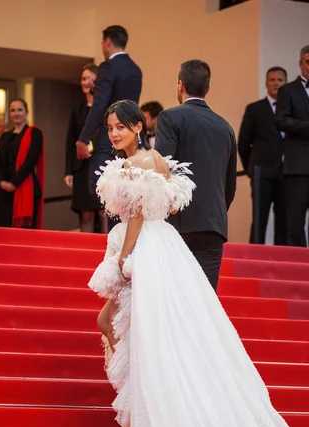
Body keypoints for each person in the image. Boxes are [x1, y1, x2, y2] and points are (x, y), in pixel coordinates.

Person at [88, 99, 309, 427]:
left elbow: (133, 219)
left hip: (146, 252)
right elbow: (166, 209)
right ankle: (142, 426)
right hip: (167, 248)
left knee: (136, 336)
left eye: (120, 127)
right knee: (154, 337)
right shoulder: (156, 162)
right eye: (109, 128)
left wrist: (124, 261)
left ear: (137, 127)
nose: (113, 135)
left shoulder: (136, 164)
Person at [155, 60, 237, 292]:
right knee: (205, 299)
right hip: (214, 224)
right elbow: (229, 185)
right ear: (207, 89)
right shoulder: (226, 127)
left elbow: (163, 169)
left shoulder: (170, 117)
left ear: (180, 85)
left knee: (175, 296)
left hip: (178, 221)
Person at [76, 25, 142, 231]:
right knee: (125, 195)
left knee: (102, 190)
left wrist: (84, 138)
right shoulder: (135, 69)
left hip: (109, 138)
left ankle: (114, 245)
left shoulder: (108, 67)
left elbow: (100, 104)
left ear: (107, 42)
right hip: (130, 140)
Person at [238, 67, 287, 245]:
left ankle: (282, 262)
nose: (276, 83)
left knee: (285, 222)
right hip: (262, 174)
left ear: (285, 83)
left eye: (280, 80)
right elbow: (243, 142)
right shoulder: (255, 109)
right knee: (259, 220)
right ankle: (255, 260)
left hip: (287, 174)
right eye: (272, 80)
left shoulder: (293, 110)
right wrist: (251, 168)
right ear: (266, 83)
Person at [64, 64, 107, 233]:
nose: (86, 82)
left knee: (105, 212)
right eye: (83, 79)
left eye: (90, 78)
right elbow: (70, 142)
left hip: (103, 165)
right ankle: (86, 256)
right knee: (86, 214)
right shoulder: (78, 111)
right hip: (82, 167)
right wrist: (68, 171)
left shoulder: (106, 109)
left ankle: (107, 256)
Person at [275, 46, 309, 247]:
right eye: (308, 61)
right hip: (298, 166)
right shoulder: (288, 90)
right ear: (300, 64)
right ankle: (299, 267)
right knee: (295, 221)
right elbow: (281, 120)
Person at [0, 98, 44, 228]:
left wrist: (14, 183)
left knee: (25, 232)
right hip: (5, 191)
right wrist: (2, 182)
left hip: (25, 187)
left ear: (26, 112)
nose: (16, 113)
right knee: (6, 231)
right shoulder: (5, 136)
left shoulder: (34, 133)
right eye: (13, 110)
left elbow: (31, 160)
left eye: (20, 110)